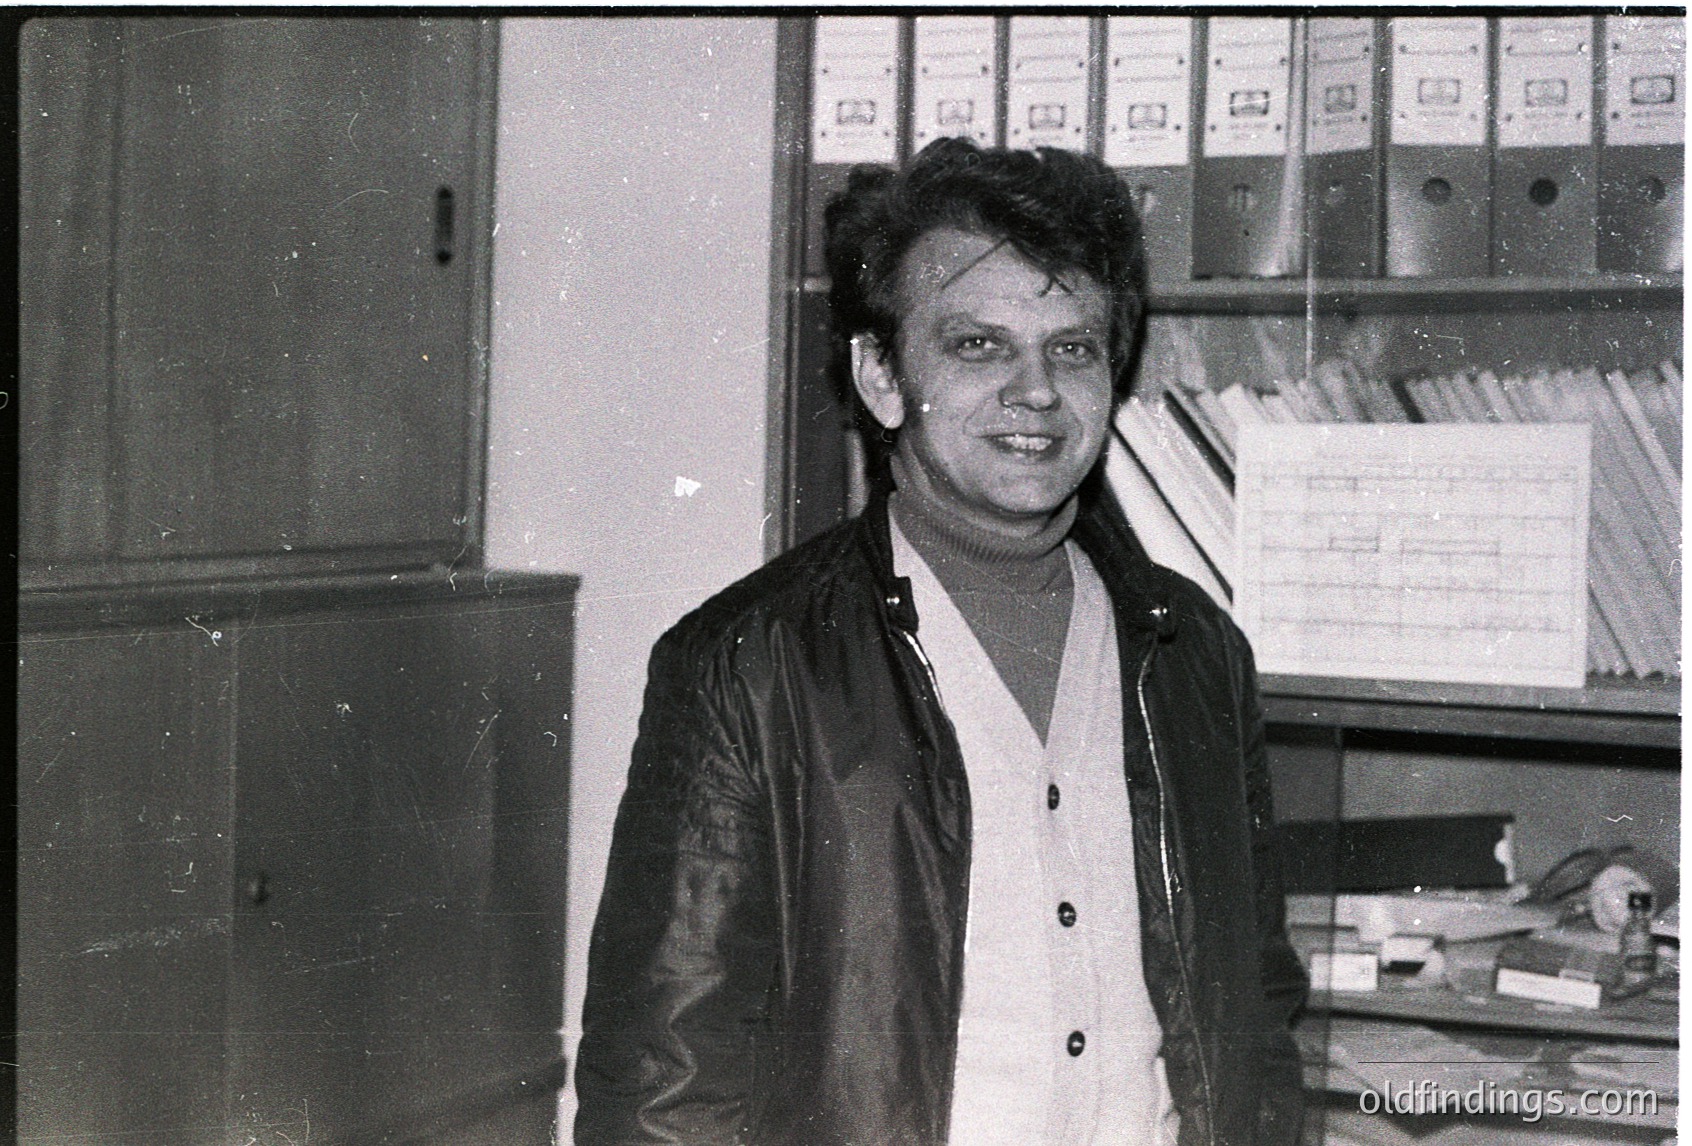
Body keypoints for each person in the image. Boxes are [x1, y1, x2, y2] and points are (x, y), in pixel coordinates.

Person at [574, 137, 1307, 1146]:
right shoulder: (748, 665)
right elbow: (664, 1083)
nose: (1036, 392)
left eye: (1073, 348)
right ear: (881, 376)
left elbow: (1256, 1015)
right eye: (978, 346)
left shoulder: (1194, 651)